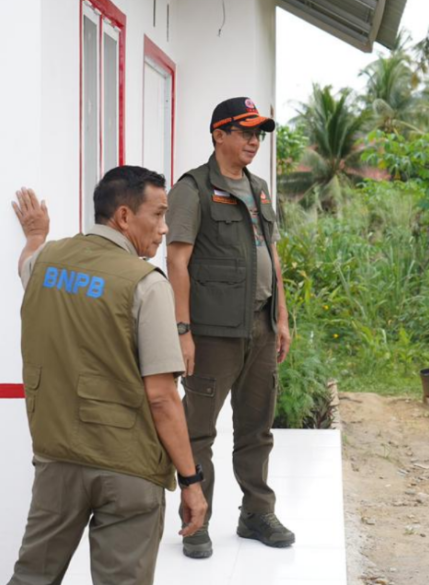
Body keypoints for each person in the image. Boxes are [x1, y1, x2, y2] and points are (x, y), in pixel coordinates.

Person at [7, 166, 207, 585]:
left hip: (57, 460)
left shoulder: (46, 262)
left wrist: (35, 236)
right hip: (126, 471)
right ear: (123, 217)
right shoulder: (146, 285)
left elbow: (26, 265)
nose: (165, 228)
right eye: (158, 214)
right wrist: (191, 480)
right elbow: (161, 397)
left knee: (31, 577)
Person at [165, 97, 293, 559]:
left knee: (257, 427)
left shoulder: (259, 188)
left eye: (259, 133)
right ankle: (195, 518)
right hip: (213, 333)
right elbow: (176, 260)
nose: (254, 141)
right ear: (219, 134)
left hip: (259, 328)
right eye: (245, 131)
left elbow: (272, 255)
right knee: (198, 430)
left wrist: (281, 317)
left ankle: (256, 512)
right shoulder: (193, 189)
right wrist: (182, 331)